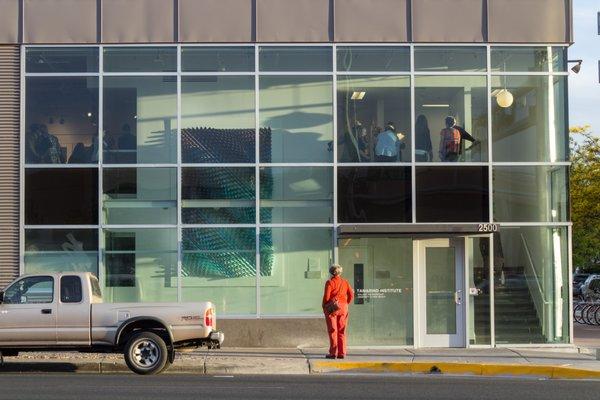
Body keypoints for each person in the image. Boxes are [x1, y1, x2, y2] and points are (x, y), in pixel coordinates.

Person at [322, 264, 354, 359]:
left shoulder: (330, 282)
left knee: (333, 330)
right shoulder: (345, 282)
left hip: (333, 308)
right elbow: (351, 295)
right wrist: (346, 303)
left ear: (331, 272)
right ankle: (342, 353)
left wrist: (324, 307)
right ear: (340, 272)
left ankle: (333, 353)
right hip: (344, 308)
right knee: (342, 331)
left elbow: (327, 297)